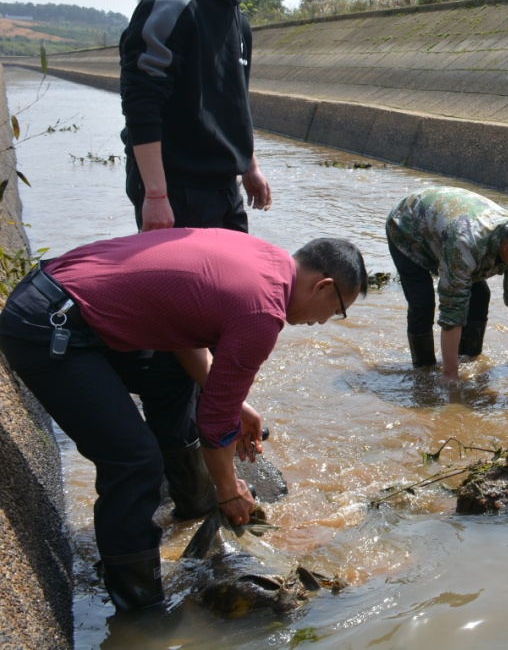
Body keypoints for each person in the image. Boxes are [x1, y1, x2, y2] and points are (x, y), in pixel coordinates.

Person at [0, 230, 367, 612]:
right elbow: (215, 421)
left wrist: (233, 403)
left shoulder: (263, 259)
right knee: (135, 462)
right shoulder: (264, 311)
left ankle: (193, 505)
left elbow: (181, 326)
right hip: (49, 327)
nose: (326, 322)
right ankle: (140, 608)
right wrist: (228, 488)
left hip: (57, 294)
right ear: (323, 286)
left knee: (174, 378)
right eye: (337, 310)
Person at [119, 0, 310, 232]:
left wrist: (249, 166)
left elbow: (234, 103)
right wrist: (156, 195)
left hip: (223, 186)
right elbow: (141, 102)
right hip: (176, 187)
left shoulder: (238, 20)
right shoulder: (174, 5)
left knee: (234, 283)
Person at [386, 186, 508, 378]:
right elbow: (452, 311)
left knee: (480, 295)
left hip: (446, 225)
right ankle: (424, 369)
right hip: (407, 228)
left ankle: (468, 356)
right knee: (422, 303)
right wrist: (450, 376)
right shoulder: (466, 243)